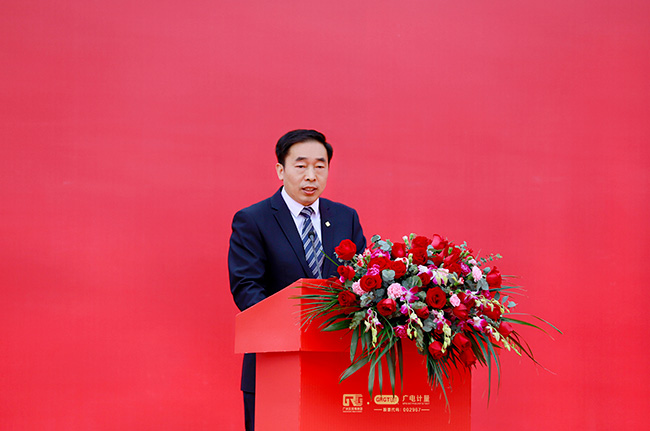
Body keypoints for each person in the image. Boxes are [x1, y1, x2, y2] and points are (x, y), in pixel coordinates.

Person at [228, 129, 366, 431]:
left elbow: (362, 280)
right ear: (281, 170)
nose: (311, 176)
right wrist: (295, 326)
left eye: (320, 166)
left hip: (335, 363)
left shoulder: (346, 217)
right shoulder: (253, 219)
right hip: (274, 362)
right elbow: (246, 288)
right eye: (301, 166)